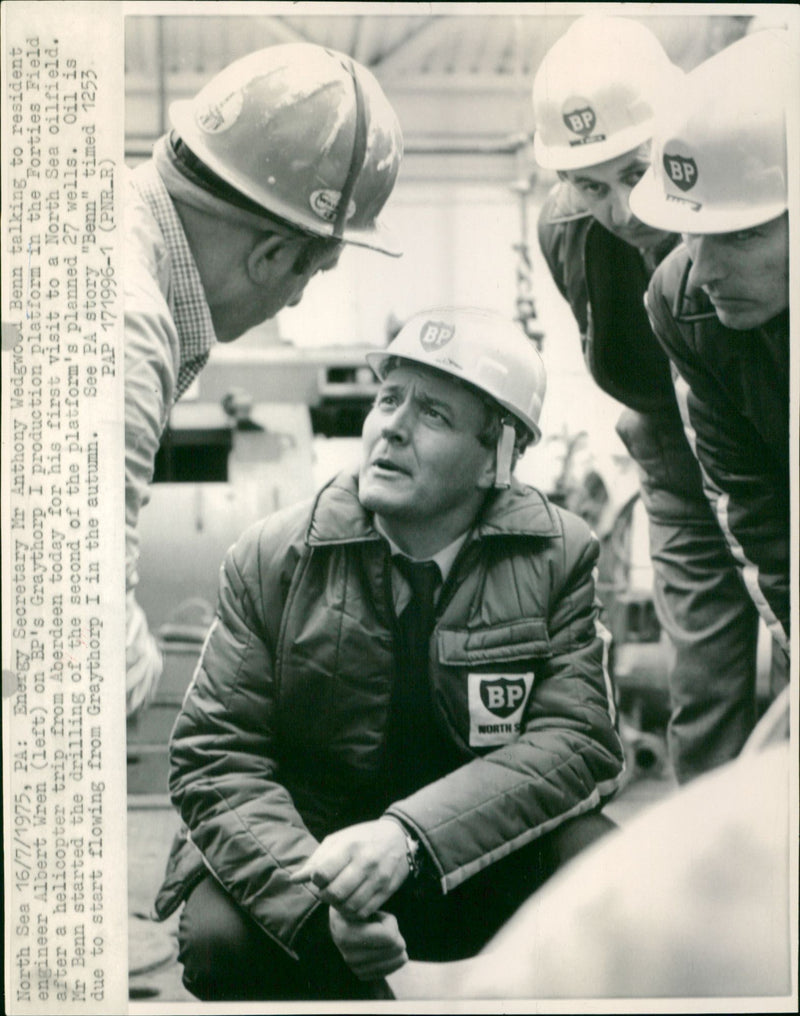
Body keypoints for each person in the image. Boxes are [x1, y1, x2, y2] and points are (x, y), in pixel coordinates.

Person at [153, 307, 625, 1000]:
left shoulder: (559, 555)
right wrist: (325, 908)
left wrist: (409, 839)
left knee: (607, 867)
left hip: (470, 854)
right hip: (317, 856)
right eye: (387, 399)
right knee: (216, 935)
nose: (391, 427)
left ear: (496, 453)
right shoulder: (274, 556)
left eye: (432, 413)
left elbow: (577, 740)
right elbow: (214, 755)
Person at [124, 43, 403, 717]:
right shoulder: (125, 326)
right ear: (274, 254)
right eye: (312, 274)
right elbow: (76, 654)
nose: (298, 299)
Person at [531, 15, 762, 783]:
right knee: (702, 660)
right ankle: (713, 834)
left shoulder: (736, 210)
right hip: (668, 442)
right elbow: (627, 366)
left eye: (635, 173)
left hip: (765, 433)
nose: (622, 212)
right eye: (590, 186)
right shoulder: (564, 233)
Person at [387, 687, 792, 1000]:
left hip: (466, 843)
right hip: (362, 850)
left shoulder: (555, 577)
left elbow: (582, 738)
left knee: (623, 870)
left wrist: (411, 834)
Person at [629, 30, 790, 683]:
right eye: (692, 231)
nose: (704, 270)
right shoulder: (681, 302)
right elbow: (756, 507)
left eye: (742, 234)